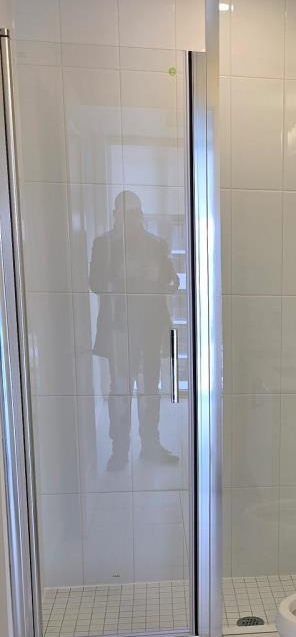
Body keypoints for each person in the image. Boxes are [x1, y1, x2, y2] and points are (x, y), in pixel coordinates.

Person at [89, 190, 180, 471]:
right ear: (115, 215)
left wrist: (158, 277)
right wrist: (120, 277)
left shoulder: (157, 244)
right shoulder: (104, 244)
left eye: (137, 212)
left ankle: (150, 446)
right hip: (120, 328)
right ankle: (120, 450)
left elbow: (173, 283)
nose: (133, 218)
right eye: (126, 213)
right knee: (120, 390)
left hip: (150, 327)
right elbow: (95, 284)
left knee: (150, 388)